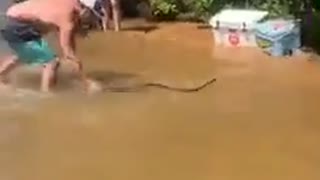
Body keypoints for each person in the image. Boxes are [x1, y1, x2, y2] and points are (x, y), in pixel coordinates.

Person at [0, 0, 101, 93]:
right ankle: (46, 94)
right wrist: (85, 80)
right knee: (51, 62)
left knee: (26, 53)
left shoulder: (69, 3)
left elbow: (69, 41)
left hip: (7, 18)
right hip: (18, 23)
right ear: (83, 9)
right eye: (91, 15)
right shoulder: (68, 18)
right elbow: (67, 50)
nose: (90, 20)